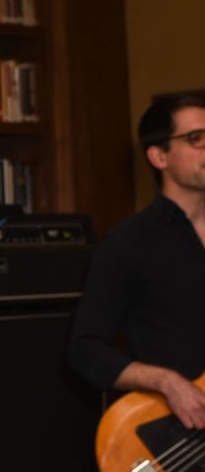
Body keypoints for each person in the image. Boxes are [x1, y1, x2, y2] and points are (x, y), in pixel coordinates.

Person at [69, 94, 205, 430]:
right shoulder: (128, 243)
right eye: (196, 138)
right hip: (177, 434)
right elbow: (85, 351)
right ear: (159, 156)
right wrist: (167, 382)